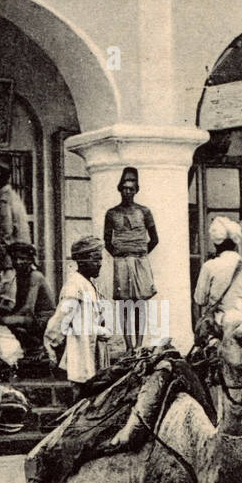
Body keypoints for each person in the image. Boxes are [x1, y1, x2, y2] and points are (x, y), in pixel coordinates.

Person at [45, 235, 112, 390]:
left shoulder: (90, 284)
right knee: (81, 390)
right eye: (96, 259)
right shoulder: (74, 285)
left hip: (94, 348)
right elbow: (61, 319)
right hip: (81, 349)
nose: (100, 264)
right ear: (81, 261)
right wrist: (51, 343)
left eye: (101, 259)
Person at [103, 166, 158, 352]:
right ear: (120, 188)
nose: (128, 192)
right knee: (124, 305)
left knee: (140, 305)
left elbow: (155, 239)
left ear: (136, 190)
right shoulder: (112, 213)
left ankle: (139, 346)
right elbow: (107, 241)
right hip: (122, 263)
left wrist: (139, 254)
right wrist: (121, 256)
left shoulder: (144, 211)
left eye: (131, 189)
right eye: (125, 188)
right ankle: (128, 347)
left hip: (140, 260)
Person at [0, 242, 56, 369]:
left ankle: (37, 348)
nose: (18, 262)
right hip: (29, 316)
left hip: (42, 319)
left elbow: (28, 307)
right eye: (15, 258)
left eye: (23, 259)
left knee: (4, 322)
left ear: (31, 260)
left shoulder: (35, 276)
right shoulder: (18, 276)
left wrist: (5, 319)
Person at [193, 216, 242, 342]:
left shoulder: (209, 266)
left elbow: (200, 299)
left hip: (219, 328)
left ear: (215, 243)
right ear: (236, 243)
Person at [0, 156, 29, 275]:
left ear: (4, 176)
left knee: (5, 292)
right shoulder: (13, 196)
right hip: (21, 258)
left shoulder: (3, 199)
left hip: (10, 261)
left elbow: (4, 232)